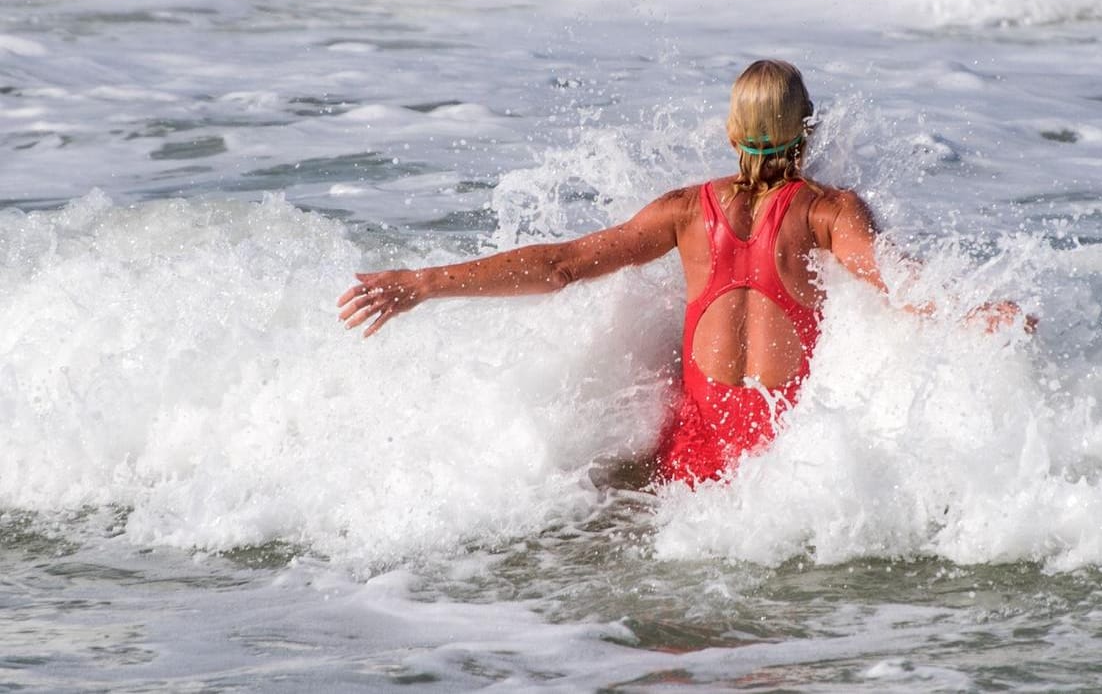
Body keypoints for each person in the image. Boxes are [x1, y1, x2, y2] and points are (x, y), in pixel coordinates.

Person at [338, 59, 1024, 488]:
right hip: (786, 466)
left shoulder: (682, 212)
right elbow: (897, 282)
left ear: (730, 133)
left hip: (692, 456)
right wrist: (975, 315)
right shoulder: (829, 212)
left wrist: (423, 281)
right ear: (807, 133)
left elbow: (558, 266)